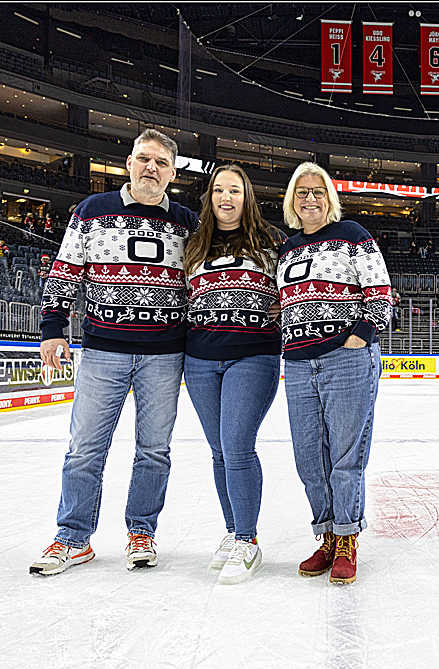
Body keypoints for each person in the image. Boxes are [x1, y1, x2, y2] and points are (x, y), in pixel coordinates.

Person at [29, 129, 198, 576]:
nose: (151, 168)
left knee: (154, 450)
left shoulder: (188, 221)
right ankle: (72, 538)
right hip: (103, 350)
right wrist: (53, 328)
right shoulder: (92, 211)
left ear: (173, 172)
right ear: (128, 163)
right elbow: (64, 273)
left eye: (161, 163)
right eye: (144, 159)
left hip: (164, 354)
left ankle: (142, 531)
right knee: (85, 449)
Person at [277, 161, 393, 584]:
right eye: (302, 191)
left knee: (345, 457)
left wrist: (358, 337)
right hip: (297, 362)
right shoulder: (288, 247)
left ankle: (346, 538)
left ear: (330, 198)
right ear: (292, 199)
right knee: (310, 459)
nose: (310, 198)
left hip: (345, 360)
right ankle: (325, 533)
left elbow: (380, 293)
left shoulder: (353, 236)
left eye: (318, 191)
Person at [183, 165, 284, 585]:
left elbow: (300, 284)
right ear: (209, 197)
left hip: (253, 355)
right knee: (219, 451)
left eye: (235, 191)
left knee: (238, 445)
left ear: (248, 198)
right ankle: (232, 531)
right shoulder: (192, 245)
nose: (227, 198)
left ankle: (248, 539)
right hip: (201, 359)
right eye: (219, 190)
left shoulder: (272, 241)